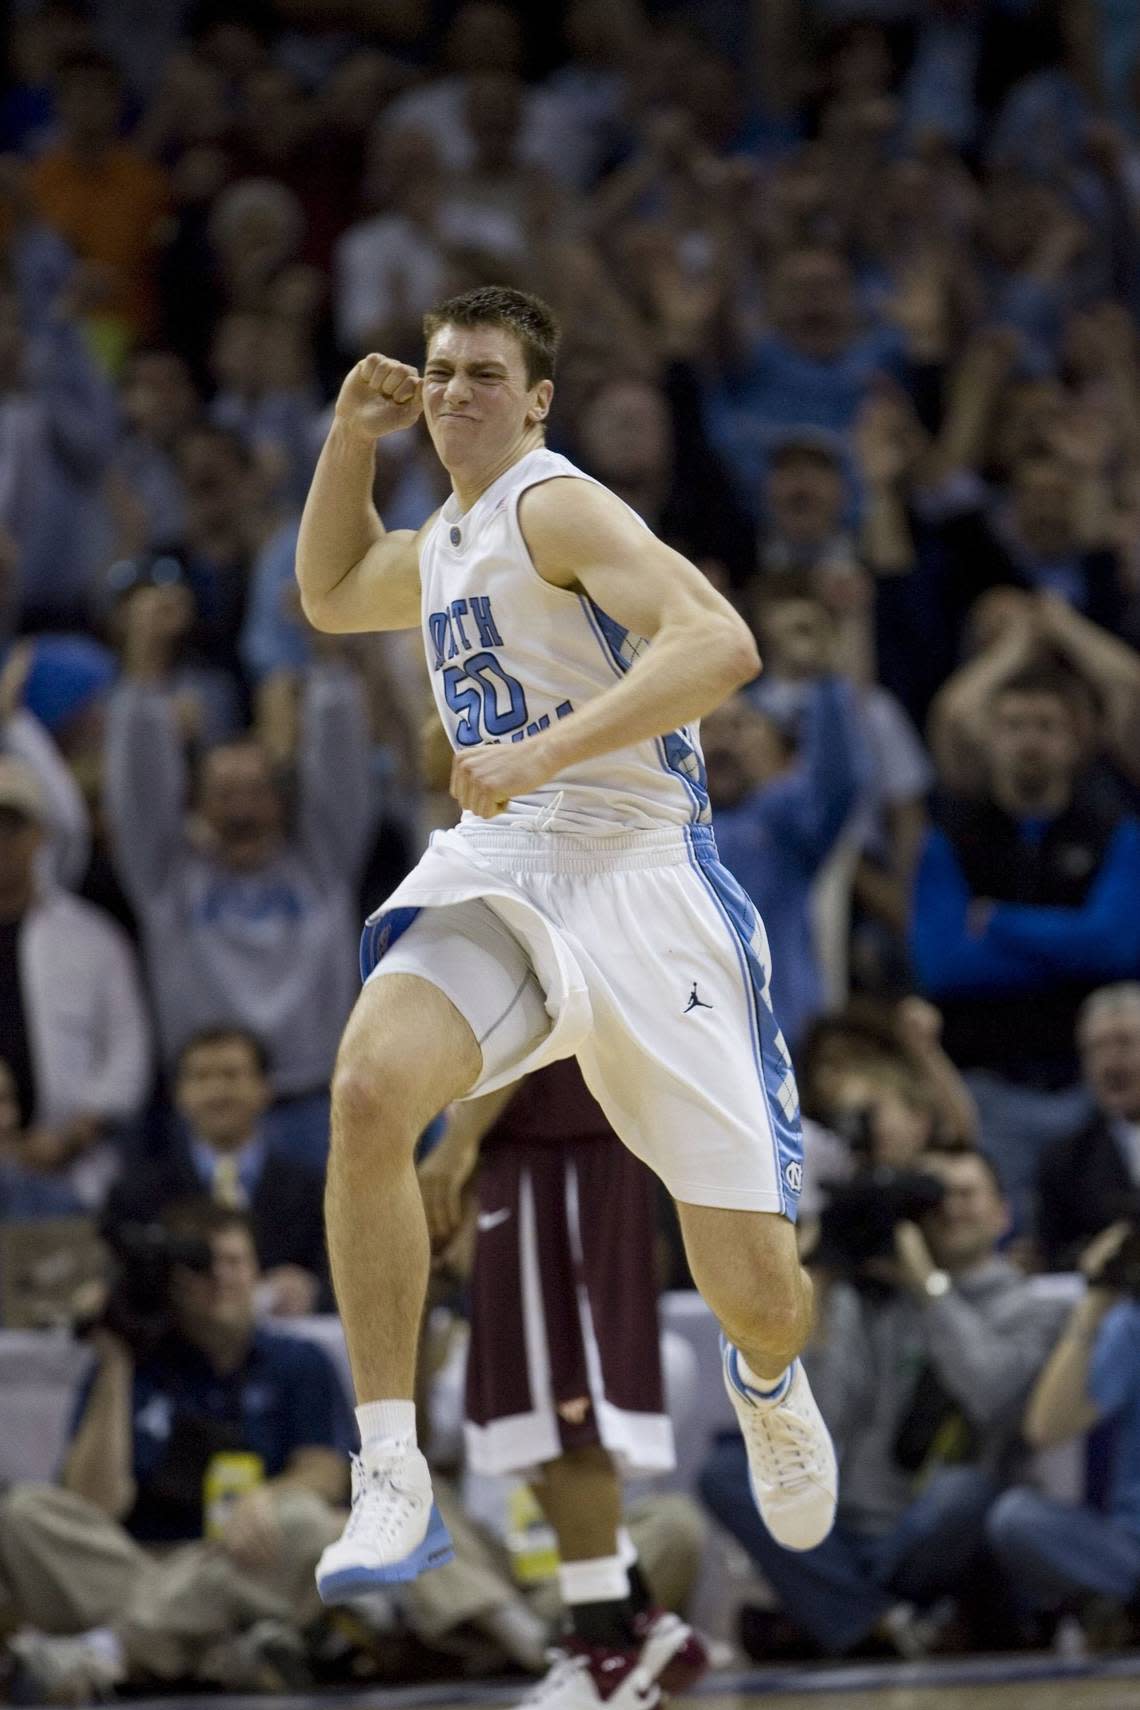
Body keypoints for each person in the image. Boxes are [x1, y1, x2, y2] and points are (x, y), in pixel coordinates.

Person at [296, 285, 836, 1693]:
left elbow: (720, 644)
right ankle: (392, 1461)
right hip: (504, 863)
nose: (457, 390)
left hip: (644, 878)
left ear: (537, 400)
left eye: (484, 373)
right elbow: (331, 588)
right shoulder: (450, 537)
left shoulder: (558, 505)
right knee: (365, 1089)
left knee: (763, 1293)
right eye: (438, 372)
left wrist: (545, 751)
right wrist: (347, 441)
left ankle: (768, 1381)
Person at [700, 1148, 1069, 1660]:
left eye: (967, 1194)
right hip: (843, 1530)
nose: (953, 1209)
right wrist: (823, 1281)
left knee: (963, 1494)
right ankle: (879, 1621)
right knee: (726, 1470)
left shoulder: (1034, 1309)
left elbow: (994, 1397)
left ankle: (836, 1614)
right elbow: (821, 1416)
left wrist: (929, 1290)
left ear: (1003, 1213)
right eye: (938, 1198)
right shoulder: (872, 1299)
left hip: (934, 1526)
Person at [418, 1057, 709, 1698]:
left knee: (570, 1419)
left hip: (563, 1161)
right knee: (523, 1430)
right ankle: (636, 1620)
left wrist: (456, 1145)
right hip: (524, 1156)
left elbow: (533, 1019)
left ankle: (606, 1658)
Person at [0, 1200, 352, 1702]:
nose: (221, 1279)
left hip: (243, 1557)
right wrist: (116, 1360)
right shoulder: (137, 1361)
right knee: (22, 1513)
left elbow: (327, 1473)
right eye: (202, 1266)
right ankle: (214, 1649)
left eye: (234, 1263)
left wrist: (268, 1498)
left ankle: (114, 1648)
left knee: (308, 1521)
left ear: (258, 1272)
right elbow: (93, 1505)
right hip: (139, 1560)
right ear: (171, 1281)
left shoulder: (297, 1360)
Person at [103, 585, 372, 1162]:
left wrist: (328, 657)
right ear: (195, 805)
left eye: (256, 792)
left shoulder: (321, 863)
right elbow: (139, 786)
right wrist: (144, 668)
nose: (242, 810)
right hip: (201, 1109)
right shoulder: (167, 878)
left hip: (314, 1103)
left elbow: (344, 770)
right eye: (224, 795)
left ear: (284, 802)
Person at [911, 661, 1140, 1225]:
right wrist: (1069, 942)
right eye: (1013, 725)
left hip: (1093, 1085)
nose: (1029, 740)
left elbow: (1114, 946)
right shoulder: (952, 836)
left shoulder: (1114, 828)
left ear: (1075, 741)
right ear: (989, 740)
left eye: (1045, 725)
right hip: (988, 1084)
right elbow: (943, 965)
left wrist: (999, 923)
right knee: (1000, 1237)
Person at [0, 754, 150, 1209]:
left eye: (13, 827)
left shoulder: (91, 936)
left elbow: (128, 1051)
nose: (1, 842)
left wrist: (73, 1135)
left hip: (75, 1165)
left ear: (40, 834)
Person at [105, 1027, 329, 1318]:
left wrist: (312, 1292)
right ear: (179, 1095)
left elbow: (346, 1280)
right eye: (201, 1077)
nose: (217, 1092)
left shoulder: (314, 1191)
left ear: (265, 1089)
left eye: (231, 1075)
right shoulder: (136, 1194)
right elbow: (120, 1287)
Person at [987, 1221, 1140, 1636]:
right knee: (1017, 1518)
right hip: (1131, 1548)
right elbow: (1046, 1428)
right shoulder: (1130, 1323)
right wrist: (1095, 1297)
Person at [1037, 984, 1140, 1271]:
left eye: (1124, 1043)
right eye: (1097, 1048)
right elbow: (1054, 1259)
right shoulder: (1065, 1160)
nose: (1110, 1062)